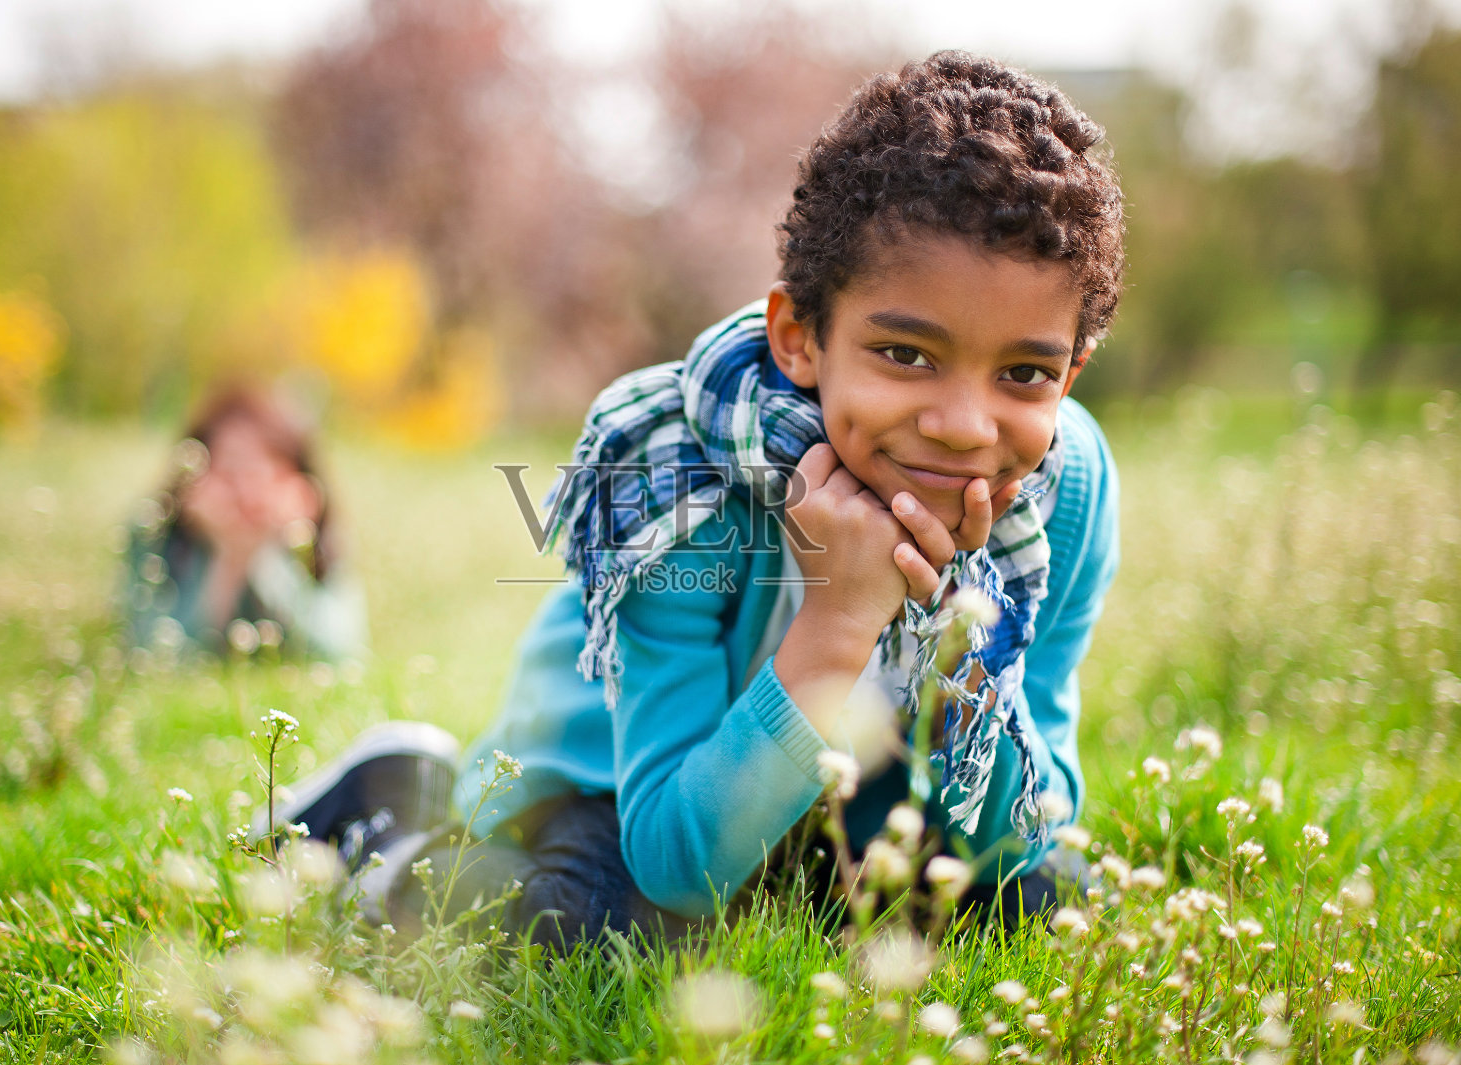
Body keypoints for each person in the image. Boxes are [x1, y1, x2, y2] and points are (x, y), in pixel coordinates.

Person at [272, 51, 1123, 950]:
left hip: (862, 793)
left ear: (1071, 372)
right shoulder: (680, 470)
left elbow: (1017, 835)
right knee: (612, 929)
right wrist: (836, 628)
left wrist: (969, 645)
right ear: (800, 338)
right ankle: (386, 818)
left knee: (1041, 907)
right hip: (635, 783)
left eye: (1023, 373)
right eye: (906, 354)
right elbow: (675, 859)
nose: (961, 425)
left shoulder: (1064, 496)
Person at [122, 386, 366, 661]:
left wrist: (271, 552)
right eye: (229, 470)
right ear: (193, 475)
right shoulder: (156, 530)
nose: (247, 491)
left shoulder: (316, 533)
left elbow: (338, 651)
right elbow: (151, 652)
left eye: (264, 471)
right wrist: (227, 561)